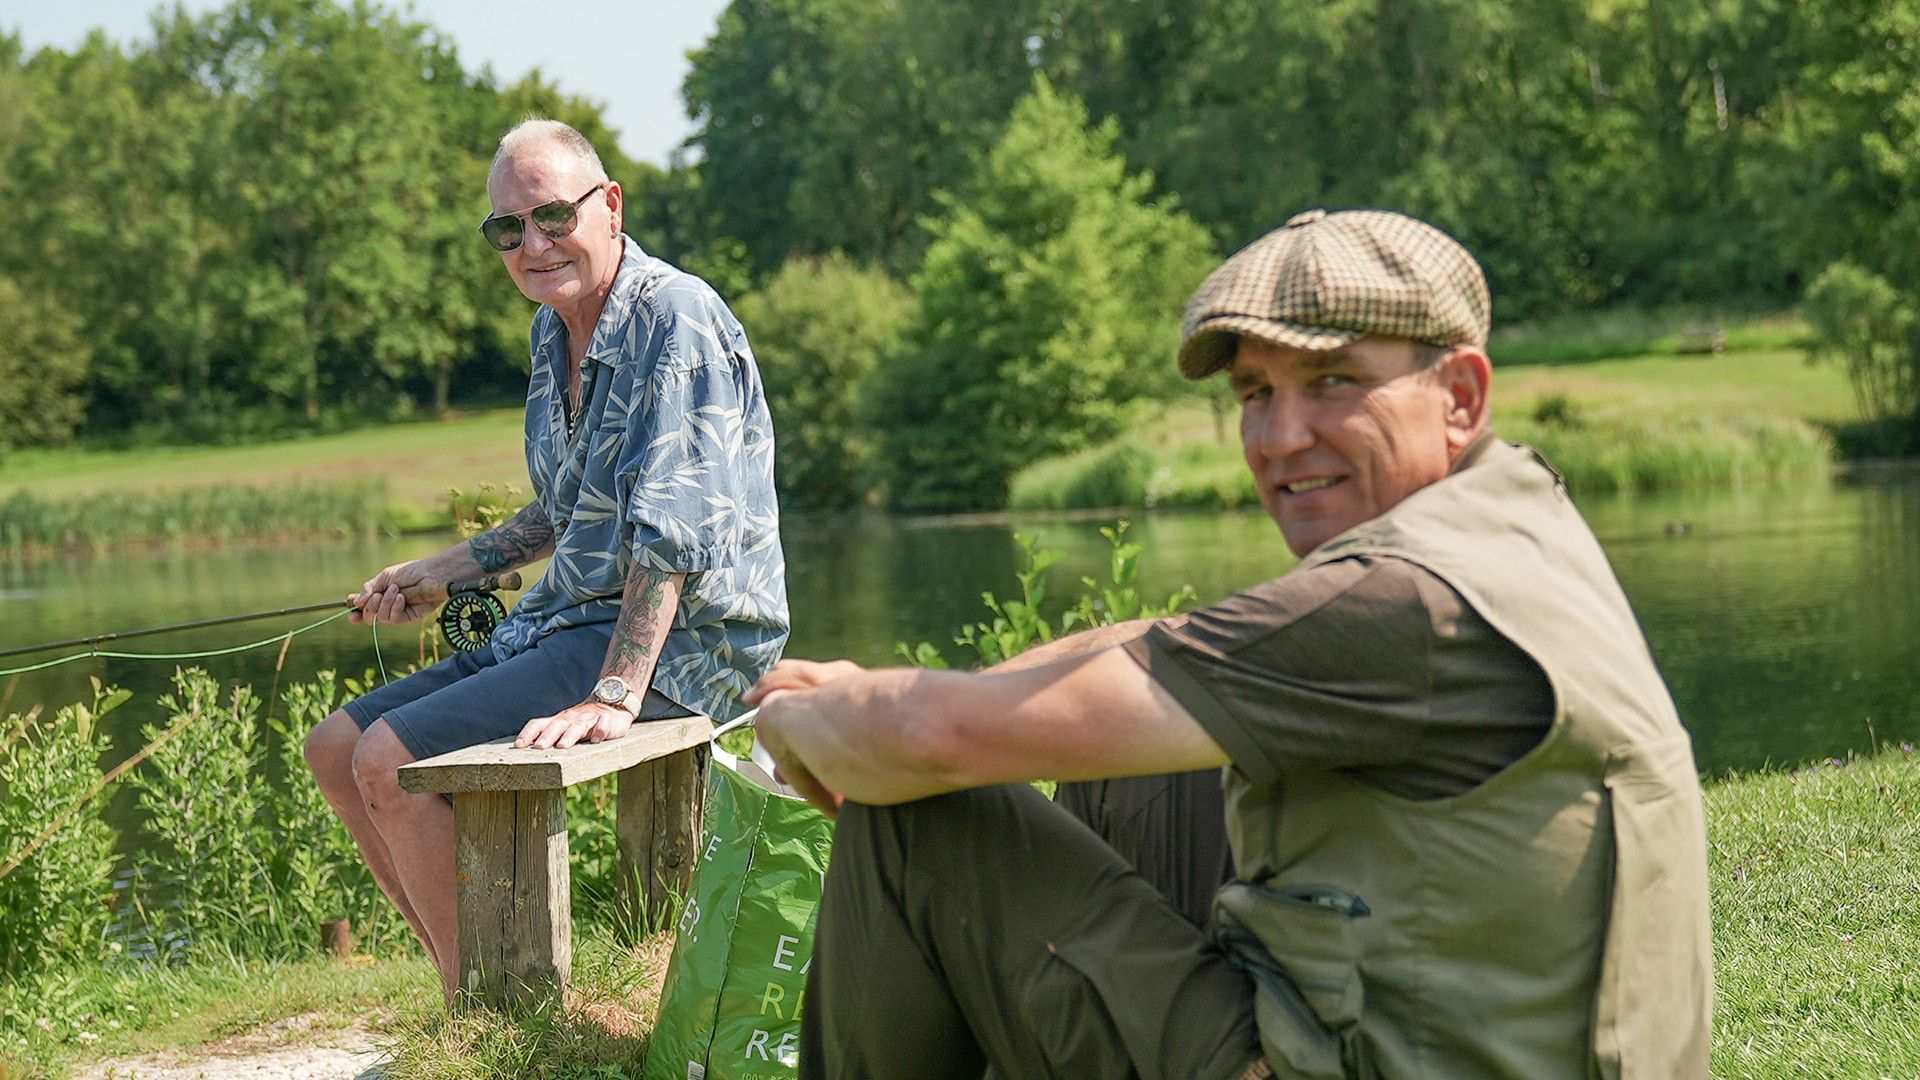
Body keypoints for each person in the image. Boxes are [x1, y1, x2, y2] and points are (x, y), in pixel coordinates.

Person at [745, 209, 1711, 1079]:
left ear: (1458, 392)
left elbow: (936, 741)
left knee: (915, 814)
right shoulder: (1507, 521)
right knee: (1138, 762)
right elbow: (1161, 645)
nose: (1282, 436)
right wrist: (879, 691)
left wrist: (812, 719)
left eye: (1334, 381)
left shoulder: (1403, 604)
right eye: (1256, 393)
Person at [304, 118, 788, 999]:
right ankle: (471, 987)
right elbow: (569, 508)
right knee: (337, 746)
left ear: (609, 207)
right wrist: (450, 567)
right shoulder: (553, 330)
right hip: (573, 619)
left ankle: (489, 1012)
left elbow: (671, 532)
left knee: (388, 759)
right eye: (508, 228)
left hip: (688, 641)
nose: (533, 243)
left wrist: (613, 694)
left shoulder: (674, 319)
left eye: (554, 216)